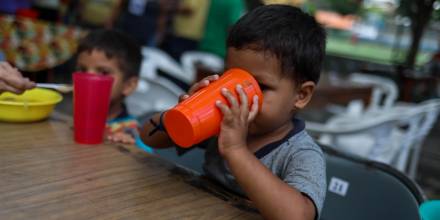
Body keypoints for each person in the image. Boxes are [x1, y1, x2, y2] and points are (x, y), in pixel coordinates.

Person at [117, 5, 326, 219]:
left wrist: (236, 150)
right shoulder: (223, 121)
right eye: (232, 78)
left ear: (301, 95)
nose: (239, 97)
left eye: (259, 87)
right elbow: (149, 136)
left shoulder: (301, 154)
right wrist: (183, 112)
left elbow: (299, 216)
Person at [75, 29, 145, 145]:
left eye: (103, 72)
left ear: (128, 86)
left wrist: (130, 148)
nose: (89, 79)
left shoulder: (131, 132)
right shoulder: (80, 120)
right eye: (82, 70)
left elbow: (146, 159)